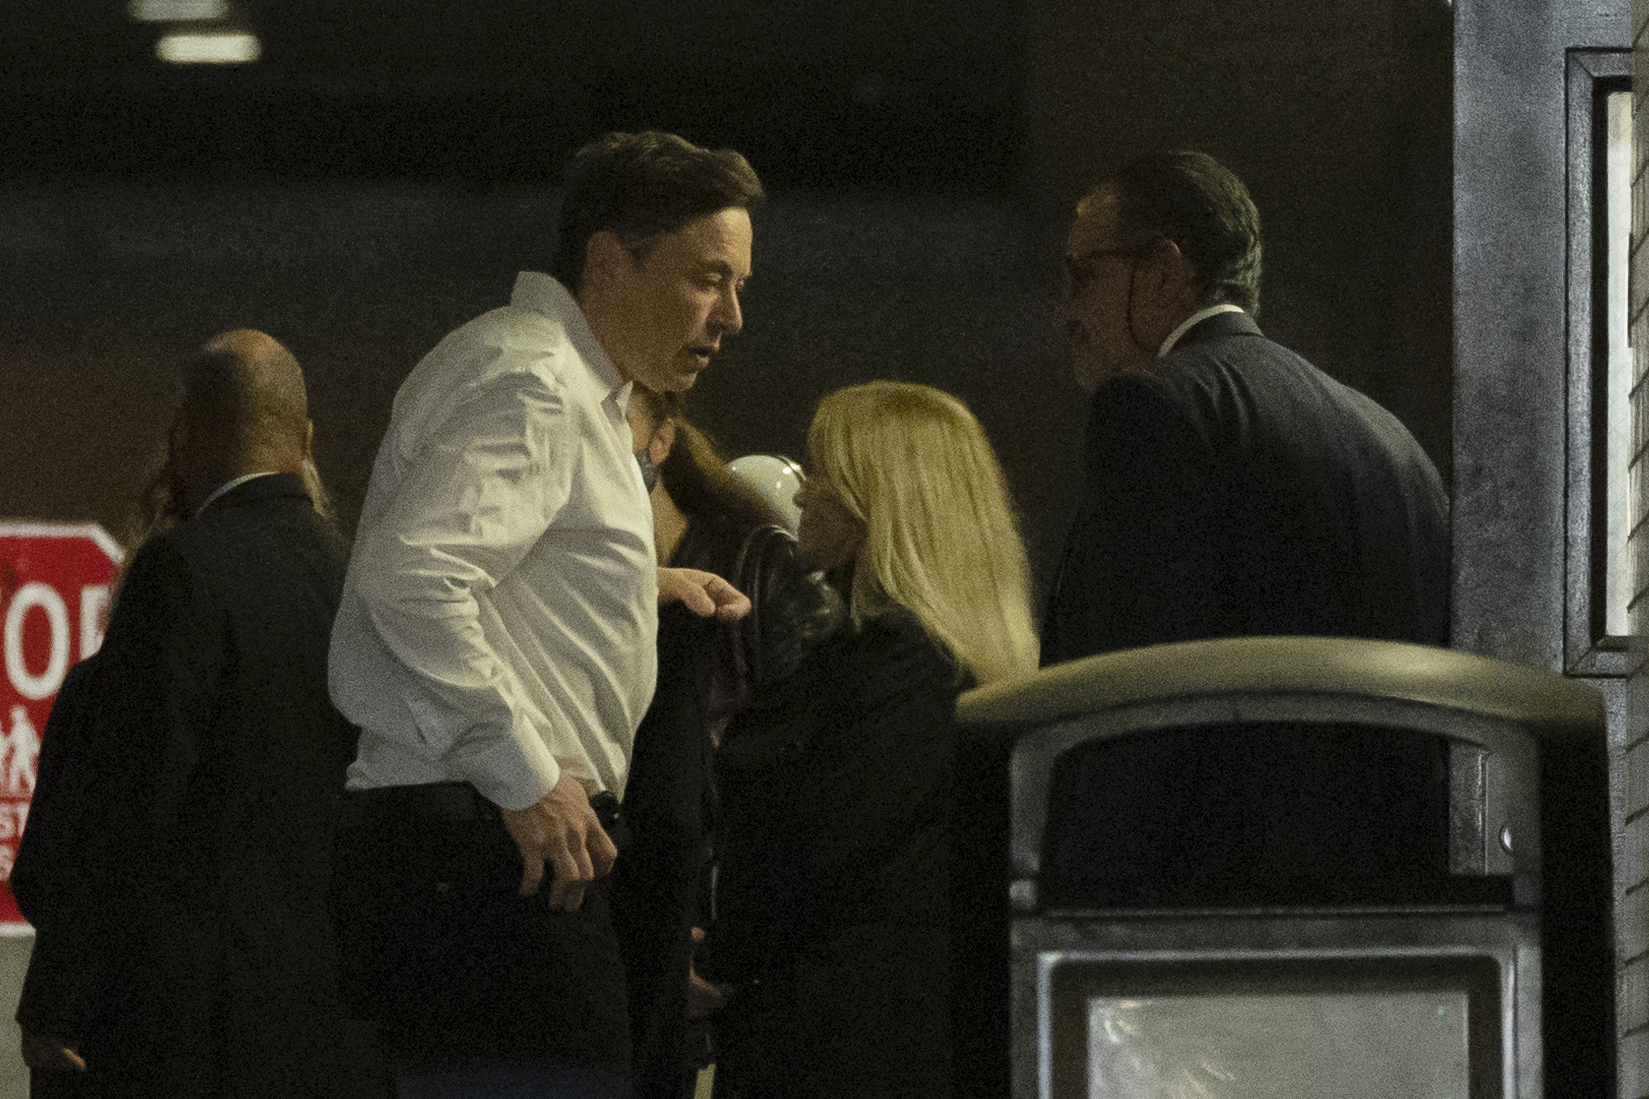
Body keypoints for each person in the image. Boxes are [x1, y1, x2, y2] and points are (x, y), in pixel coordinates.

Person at [326, 131, 758, 1098]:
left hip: (484, 837)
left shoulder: (567, 384)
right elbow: (412, 576)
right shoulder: (536, 380)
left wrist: (633, 589)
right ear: (608, 261)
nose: (732, 316)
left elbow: (487, 563)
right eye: (708, 279)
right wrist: (525, 775)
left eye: (737, 285)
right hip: (489, 839)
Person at [10, 329, 388, 1099]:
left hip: (200, 1032)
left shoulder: (180, 569)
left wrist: (57, 996)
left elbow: (130, 802)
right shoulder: (359, 579)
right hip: (335, 1024)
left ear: (186, 433)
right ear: (307, 438)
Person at [698, 381, 1040, 1099]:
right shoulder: (940, 662)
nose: (801, 494)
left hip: (838, 1044)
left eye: (821, 472)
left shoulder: (897, 664)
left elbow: (818, 849)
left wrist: (720, 962)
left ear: (874, 500)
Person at [1042, 149, 1449, 664]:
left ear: (1163, 272)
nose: (1064, 315)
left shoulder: (1153, 408)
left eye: (1082, 277)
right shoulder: (1399, 447)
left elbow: (1131, 682)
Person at [613, 391, 839, 1098]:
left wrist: (727, 932)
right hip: (623, 907)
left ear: (662, 439)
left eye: (610, 419)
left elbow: (795, 773)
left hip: (710, 924)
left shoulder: (755, 563)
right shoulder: (578, 578)